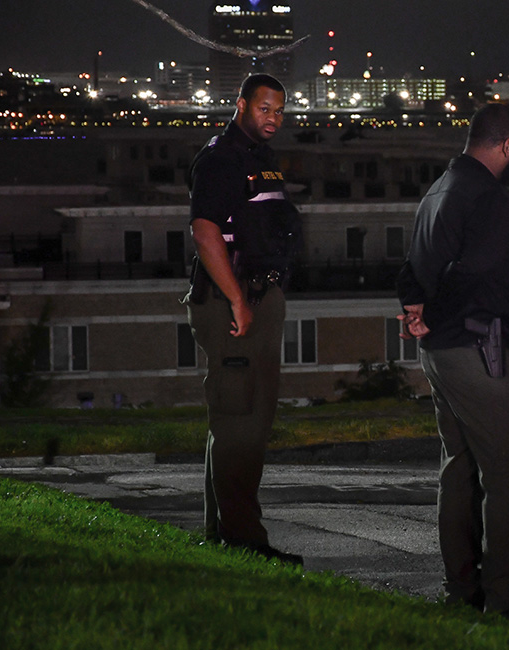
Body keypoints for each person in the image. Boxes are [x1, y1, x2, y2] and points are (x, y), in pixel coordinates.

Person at [395, 103, 509, 623]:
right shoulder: (487, 199)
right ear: (507, 146)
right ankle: (508, 593)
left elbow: (415, 270)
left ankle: (464, 586)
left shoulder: (439, 190)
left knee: (460, 468)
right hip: (481, 350)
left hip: (441, 353)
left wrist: (418, 309)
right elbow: (489, 279)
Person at [184, 73, 303, 565]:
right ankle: (245, 540)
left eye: (279, 110)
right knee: (240, 421)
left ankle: (222, 531)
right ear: (241, 106)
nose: (272, 118)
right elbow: (205, 230)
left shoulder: (260, 159)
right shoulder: (221, 159)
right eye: (263, 108)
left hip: (258, 295)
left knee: (244, 417)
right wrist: (237, 300)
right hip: (231, 301)